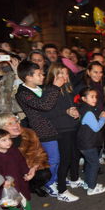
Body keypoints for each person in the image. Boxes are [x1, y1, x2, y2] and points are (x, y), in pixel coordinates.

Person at [15, 61, 65, 197]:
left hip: (56, 127)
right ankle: (49, 183)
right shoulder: (23, 93)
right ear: (28, 77)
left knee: (57, 158)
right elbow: (44, 105)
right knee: (53, 159)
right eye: (38, 74)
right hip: (44, 130)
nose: (42, 76)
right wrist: (55, 87)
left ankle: (53, 179)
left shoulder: (41, 87)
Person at [44, 63, 82, 202]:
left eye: (66, 73)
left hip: (71, 127)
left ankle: (73, 180)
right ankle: (61, 191)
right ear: (53, 75)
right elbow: (48, 112)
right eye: (61, 73)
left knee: (74, 156)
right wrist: (66, 111)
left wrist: (75, 110)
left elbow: (70, 106)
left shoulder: (66, 89)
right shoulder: (50, 90)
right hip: (61, 129)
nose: (64, 76)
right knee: (64, 159)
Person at [0, 113, 51, 198]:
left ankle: (32, 187)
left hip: (27, 168)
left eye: (16, 121)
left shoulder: (29, 133)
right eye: (10, 124)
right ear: (1, 129)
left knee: (45, 173)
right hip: (7, 174)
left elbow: (40, 153)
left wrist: (33, 168)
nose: (16, 125)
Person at [0, 129, 40, 210]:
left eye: (9, 139)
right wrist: (2, 182)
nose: (9, 142)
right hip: (4, 183)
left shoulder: (14, 150)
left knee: (23, 196)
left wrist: (26, 172)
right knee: (10, 199)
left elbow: (21, 162)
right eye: (4, 140)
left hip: (18, 178)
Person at [76, 87, 105, 195]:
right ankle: (92, 188)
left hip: (84, 142)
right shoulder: (88, 112)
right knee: (94, 164)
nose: (95, 99)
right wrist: (103, 118)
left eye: (96, 97)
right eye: (92, 97)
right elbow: (96, 127)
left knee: (90, 163)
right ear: (84, 99)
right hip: (87, 143)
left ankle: (88, 183)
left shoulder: (84, 108)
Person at [0, 49, 23, 116]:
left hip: (14, 114)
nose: (0, 60)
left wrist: (16, 71)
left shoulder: (13, 75)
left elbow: (20, 92)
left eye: (3, 57)